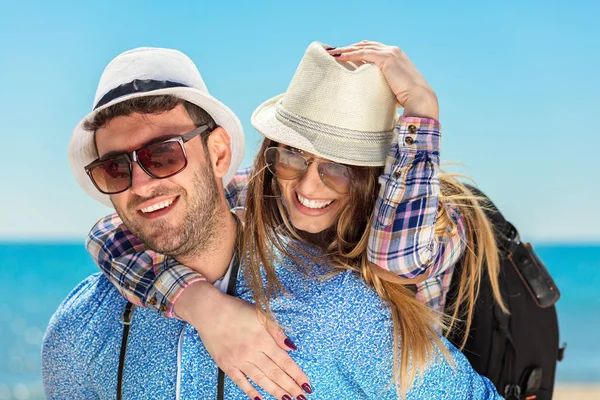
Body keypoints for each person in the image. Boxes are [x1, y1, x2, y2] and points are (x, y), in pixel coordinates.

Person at [42, 45, 500, 399]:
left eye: (162, 155)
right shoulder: (257, 194)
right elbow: (110, 233)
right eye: (115, 169)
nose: (311, 187)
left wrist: (422, 108)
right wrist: (201, 304)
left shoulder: (427, 228)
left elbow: (394, 262)